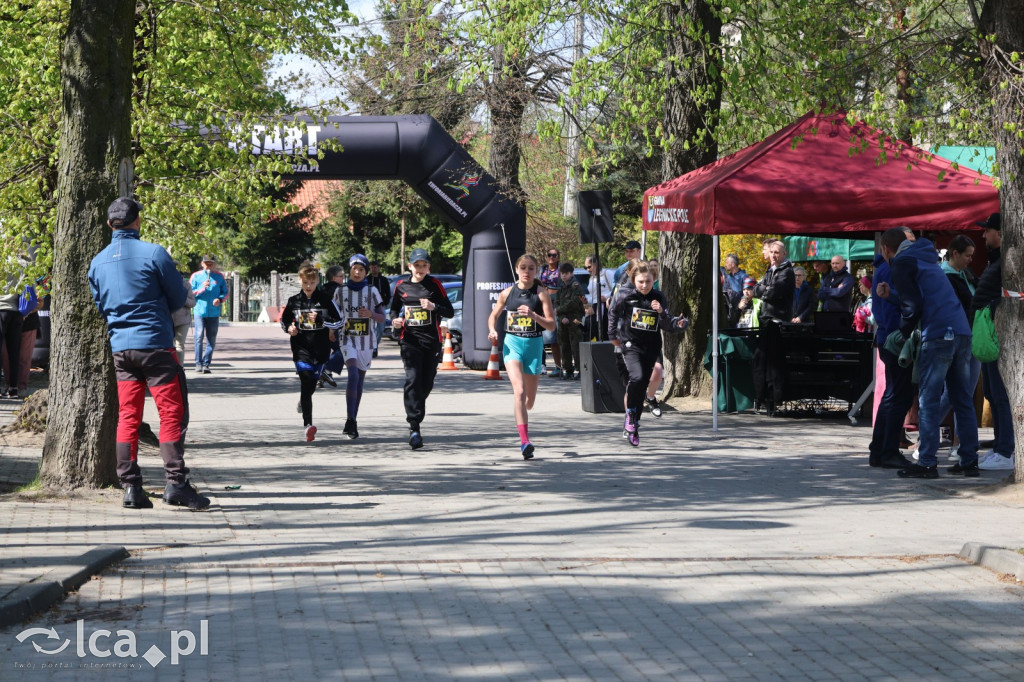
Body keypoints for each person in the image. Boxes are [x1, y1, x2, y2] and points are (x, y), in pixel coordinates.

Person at [88, 197, 208, 510]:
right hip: (155, 346)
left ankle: (131, 488)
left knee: (128, 415)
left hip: (121, 350)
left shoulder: (97, 262)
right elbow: (178, 296)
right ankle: (176, 483)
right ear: (137, 221)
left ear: (109, 224)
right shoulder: (154, 253)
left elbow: (101, 306)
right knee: (172, 412)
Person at [882, 227, 979, 479]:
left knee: (929, 399)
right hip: (961, 331)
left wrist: (902, 333)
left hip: (937, 334)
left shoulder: (901, 262)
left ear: (885, 249)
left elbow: (912, 305)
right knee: (962, 399)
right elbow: (924, 299)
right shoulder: (928, 258)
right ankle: (969, 460)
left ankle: (926, 462)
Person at [607, 260, 688, 446]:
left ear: (654, 280)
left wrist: (663, 314)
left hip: (650, 346)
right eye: (641, 281)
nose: (644, 285)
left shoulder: (658, 296)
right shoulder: (625, 295)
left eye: (648, 282)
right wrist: (613, 336)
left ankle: (633, 424)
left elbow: (668, 324)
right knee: (638, 377)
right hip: (630, 344)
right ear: (634, 279)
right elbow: (612, 314)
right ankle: (630, 416)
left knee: (642, 384)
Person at [488, 254, 555, 459]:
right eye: (523, 267)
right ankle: (525, 441)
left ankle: (522, 413)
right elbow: (493, 315)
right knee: (518, 391)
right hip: (512, 344)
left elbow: (551, 325)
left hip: (534, 346)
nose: (527, 271)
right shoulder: (507, 293)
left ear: (536, 271)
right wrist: (492, 330)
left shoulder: (541, 293)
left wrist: (534, 316)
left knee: (529, 400)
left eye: (531, 268)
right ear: (517, 270)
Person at [390, 248, 454, 450]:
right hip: (410, 341)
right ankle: (414, 426)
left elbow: (449, 311)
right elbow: (393, 309)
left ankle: (416, 409)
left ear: (429, 267)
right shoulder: (401, 286)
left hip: (431, 341)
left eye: (424, 265)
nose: (420, 269)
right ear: (410, 266)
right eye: (416, 265)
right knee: (412, 379)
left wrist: (433, 307)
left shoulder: (435, 285)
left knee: (425, 383)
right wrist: (396, 320)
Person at [970, 213, 1015, 471]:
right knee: (991, 393)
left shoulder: (1007, 263)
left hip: (999, 338)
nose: (983, 235)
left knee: (1000, 394)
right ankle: (1000, 446)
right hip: (988, 338)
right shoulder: (995, 261)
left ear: (999, 232)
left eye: (987, 231)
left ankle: (1006, 451)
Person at [868, 232, 916, 469]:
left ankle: (880, 449)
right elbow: (889, 311)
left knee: (894, 395)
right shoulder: (891, 270)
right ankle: (886, 450)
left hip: (890, 339)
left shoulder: (886, 269)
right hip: (895, 341)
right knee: (898, 396)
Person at [281, 262, 343, 443]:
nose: (309, 286)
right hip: (301, 348)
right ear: (300, 281)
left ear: (317, 281)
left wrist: (322, 320)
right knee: (306, 380)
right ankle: (308, 425)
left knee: (309, 386)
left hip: (321, 350)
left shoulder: (325, 299)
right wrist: (290, 328)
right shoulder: (294, 301)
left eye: (312, 282)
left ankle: (303, 400)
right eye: (305, 282)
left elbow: (339, 322)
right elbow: (285, 321)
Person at [334, 254, 386, 438]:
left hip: (366, 341)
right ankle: (350, 419)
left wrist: (371, 314)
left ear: (365, 272)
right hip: (347, 338)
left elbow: (382, 317)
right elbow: (333, 314)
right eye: (354, 269)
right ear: (349, 270)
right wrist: (331, 330)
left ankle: (353, 420)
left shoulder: (372, 291)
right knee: (353, 374)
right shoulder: (340, 292)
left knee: (360, 380)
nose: (357, 272)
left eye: (361, 269)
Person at [751, 241, 795, 415]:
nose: (774, 255)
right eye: (772, 252)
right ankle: (761, 397)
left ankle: (774, 399)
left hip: (778, 322)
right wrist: (763, 289)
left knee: (774, 364)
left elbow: (772, 292)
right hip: (765, 320)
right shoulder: (770, 271)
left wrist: (764, 290)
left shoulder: (787, 272)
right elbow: (756, 290)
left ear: (783, 254)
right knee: (760, 361)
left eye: (777, 252)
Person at [190, 255, 227, 373]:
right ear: (202, 264)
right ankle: (198, 363)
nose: (209, 265)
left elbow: (225, 292)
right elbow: (190, 293)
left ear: (214, 264)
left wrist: (220, 300)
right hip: (199, 311)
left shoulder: (219, 277)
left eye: (211, 263)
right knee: (199, 336)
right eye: (206, 263)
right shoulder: (196, 276)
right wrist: (202, 288)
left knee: (211, 338)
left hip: (213, 313)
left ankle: (206, 363)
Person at [554, 261, 588, 381]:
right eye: (562, 273)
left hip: (574, 320)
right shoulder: (561, 286)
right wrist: (560, 316)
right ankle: (567, 370)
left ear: (571, 273)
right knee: (564, 345)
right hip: (562, 319)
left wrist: (559, 311)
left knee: (576, 345)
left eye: (566, 273)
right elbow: (557, 302)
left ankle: (580, 370)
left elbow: (575, 302)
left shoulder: (575, 286)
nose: (564, 276)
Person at [539, 248, 564, 377]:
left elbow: (566, 286)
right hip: (544, 306)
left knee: (557, 339)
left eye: (554, 255)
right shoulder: (542, 270)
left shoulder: (562, 270)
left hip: (558, 307)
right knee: (544, 337)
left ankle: (560, 367)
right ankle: (543, 365)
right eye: (549, 255)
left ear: (558, 257)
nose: (552, 257)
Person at [584, 254, 615, 340]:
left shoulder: (606, 273)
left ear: (596, 264)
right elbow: (592, 296)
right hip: (595, 307)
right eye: (585, 267)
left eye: (589, 267)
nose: (587, 269)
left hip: (606, 305)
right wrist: (586, 301)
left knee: (606, 329)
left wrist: (606, 296)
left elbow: (615, 289)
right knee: (596, 331)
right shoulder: (591, 278)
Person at [170, 264, 196, 365]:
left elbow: (193, 302)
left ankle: (180, 368)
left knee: (179, 345)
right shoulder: (166, 284)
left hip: (183, 320)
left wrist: (182, 299)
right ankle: (172, 368)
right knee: (169, 345)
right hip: (169, 319)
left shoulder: (186, 285)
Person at [367, 261, 392, 356]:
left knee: (381, 329)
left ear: (378, 268)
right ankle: (372, 349)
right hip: (370, 307)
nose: (374, 269)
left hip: (381, 306)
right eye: (372, 267)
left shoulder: (384, 280)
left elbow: (388, 294)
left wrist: (385, 302)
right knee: (371, 328)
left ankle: (375, 345)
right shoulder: (367, 279)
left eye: (375, 267)